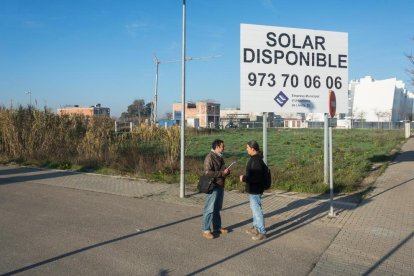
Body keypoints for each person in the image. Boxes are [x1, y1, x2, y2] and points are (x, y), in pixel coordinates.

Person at [202, 139, 231, 240]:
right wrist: (222, 173)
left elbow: (222, 168)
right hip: (212, 186)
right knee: (209, 209)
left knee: (217, 208)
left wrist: (227, 171)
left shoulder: (219, 157)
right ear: (217, 147)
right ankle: (206, 230)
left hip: (220, 185)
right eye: (222, 146)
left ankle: (217, 227)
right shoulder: (209, 157)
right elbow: (207, 172)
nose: (224, 148)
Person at [239, 140, 267, 241]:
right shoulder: (255, 159)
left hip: (256, 189)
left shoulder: (256, 161)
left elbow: (256, 178)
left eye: (247, 147)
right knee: (254, 209)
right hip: (253, 189)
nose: (246, 149)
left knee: (257, 210)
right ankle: (256, 228)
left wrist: (244, 179)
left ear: (252, 148)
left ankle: (262, 232)